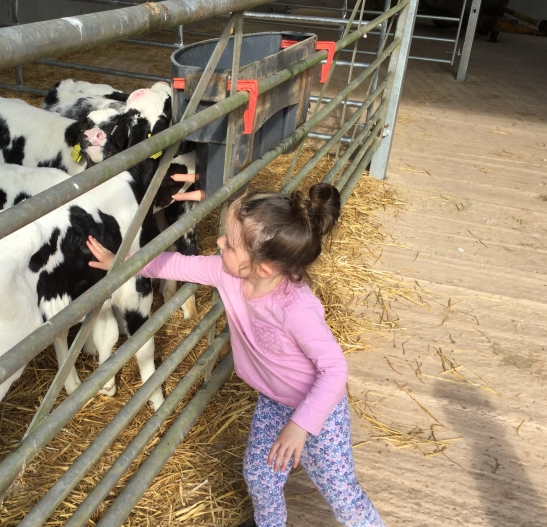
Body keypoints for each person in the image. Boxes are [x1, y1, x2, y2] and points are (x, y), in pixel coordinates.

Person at [86, 183, 384, 527]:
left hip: (319, 413)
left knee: (341, 494)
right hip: (274, 400)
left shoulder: (296, 308)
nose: (218, 243)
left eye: (228, 243)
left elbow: (334, 369)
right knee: (260, 475)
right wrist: (122, 263)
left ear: (263, 269)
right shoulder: (227, 273)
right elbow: (175, 264)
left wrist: (301, 426)